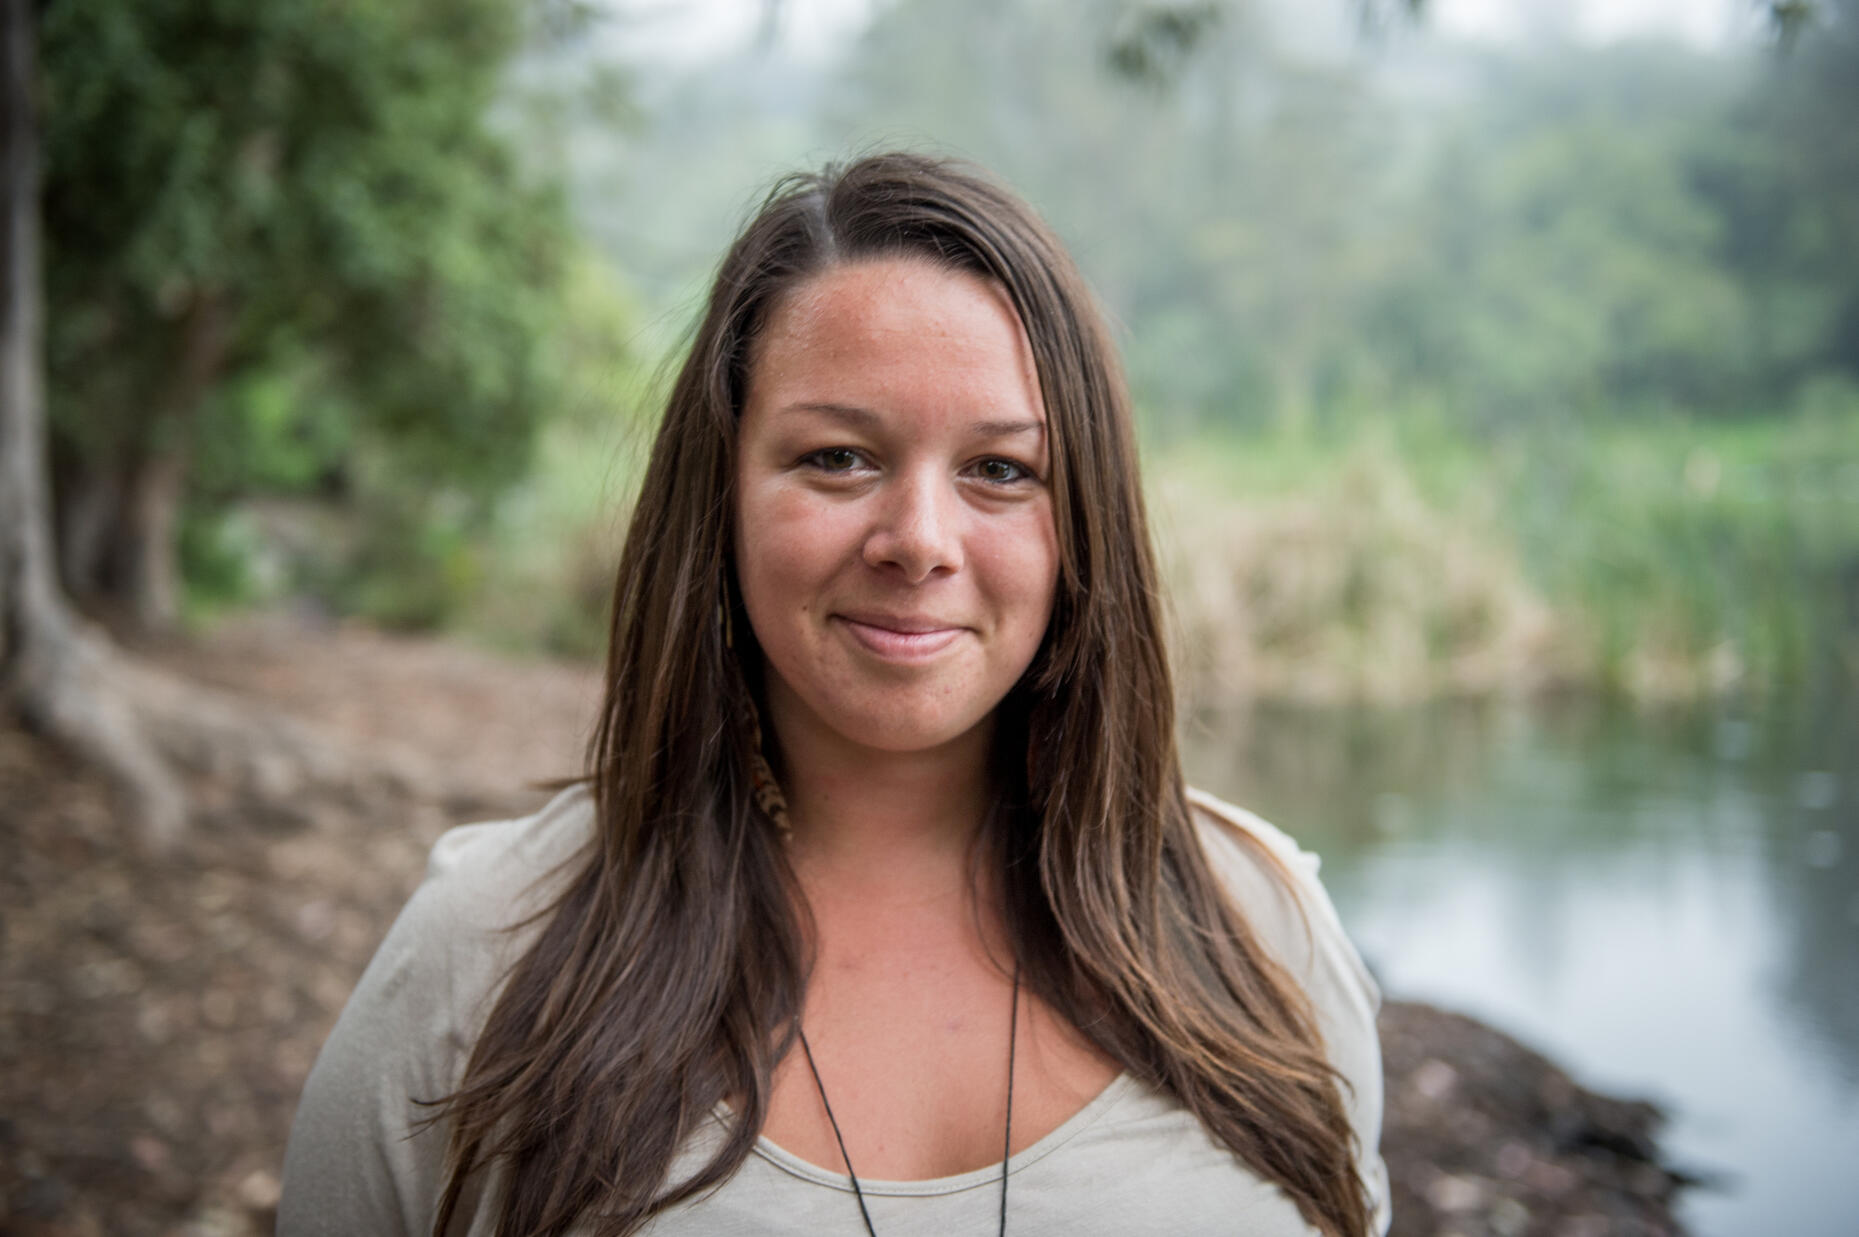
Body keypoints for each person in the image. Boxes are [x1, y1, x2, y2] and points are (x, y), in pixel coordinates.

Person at [278, 152, 1390, 1237]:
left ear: (1084, 522)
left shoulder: (1262, 931)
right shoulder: (484, 952)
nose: (917, 540)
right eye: (837, 458)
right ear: (720, 494)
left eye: (1000, 470)